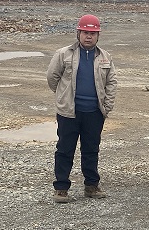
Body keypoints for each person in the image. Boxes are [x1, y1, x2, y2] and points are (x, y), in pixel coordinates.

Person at [46, 14, 117, 202]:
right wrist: (63, 97)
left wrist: (107, 106)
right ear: (78, 33)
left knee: (91, 150)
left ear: (98, 35)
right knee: (64, 149)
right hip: (69, 113)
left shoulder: (105, 57)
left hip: (94, 113)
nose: (89, 36)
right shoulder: (63, 54)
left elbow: (111, 82)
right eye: (85, 32)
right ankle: (61, 188)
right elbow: (52, 77)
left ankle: (91, 186)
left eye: (93, 33)